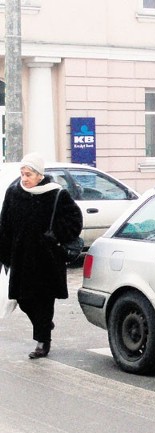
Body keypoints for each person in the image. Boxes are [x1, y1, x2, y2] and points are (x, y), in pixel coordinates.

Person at [0, 152, 82, 359]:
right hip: (21, 257)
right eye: (22, 174)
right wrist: (4, 254)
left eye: (28, 174)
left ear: (39, 175)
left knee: (44, 300)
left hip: (47, 258)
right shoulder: (14, 193)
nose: (24, 179)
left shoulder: (56, 194)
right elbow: (5, 225)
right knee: (22, 299)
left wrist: (56, 234)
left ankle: (42, 341)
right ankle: (43, 324)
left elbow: (75, 220)